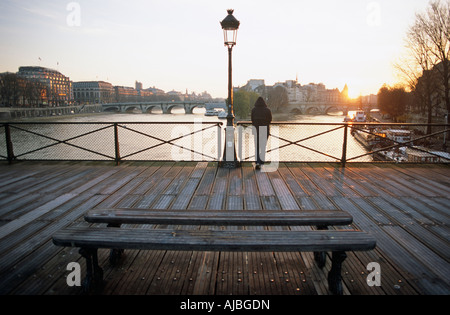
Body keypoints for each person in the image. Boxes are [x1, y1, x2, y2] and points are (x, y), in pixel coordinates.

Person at [251, 97, 272, 169]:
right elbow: (270, 120)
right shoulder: (267, 110)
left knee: (257, 147)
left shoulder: (254, 110)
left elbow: (252, 120)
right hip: (264, 130)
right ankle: (262, 162)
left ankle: (257, 162)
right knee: (263, 147)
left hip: (256, 130)